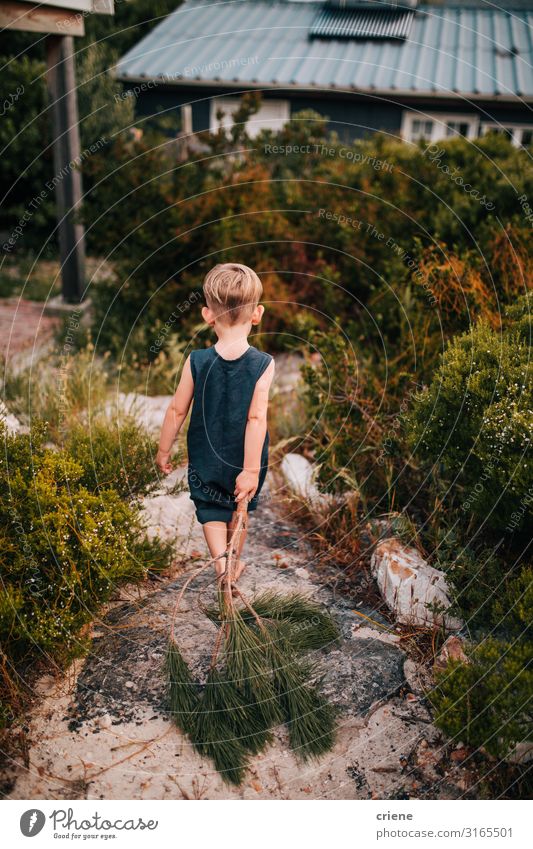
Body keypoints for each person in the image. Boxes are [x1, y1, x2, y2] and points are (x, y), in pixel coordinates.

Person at [156, 263, 275, 588]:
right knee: (240, 506)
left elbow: (176, 411)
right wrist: (250, 470)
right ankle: (233, 563)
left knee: (210, 508)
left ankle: (222, 569)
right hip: (244, 457)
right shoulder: (263, 364)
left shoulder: (196, 360)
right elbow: (256, 418)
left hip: (205, 455)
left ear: (208, 315)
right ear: (257, 314)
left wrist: (163, 450)